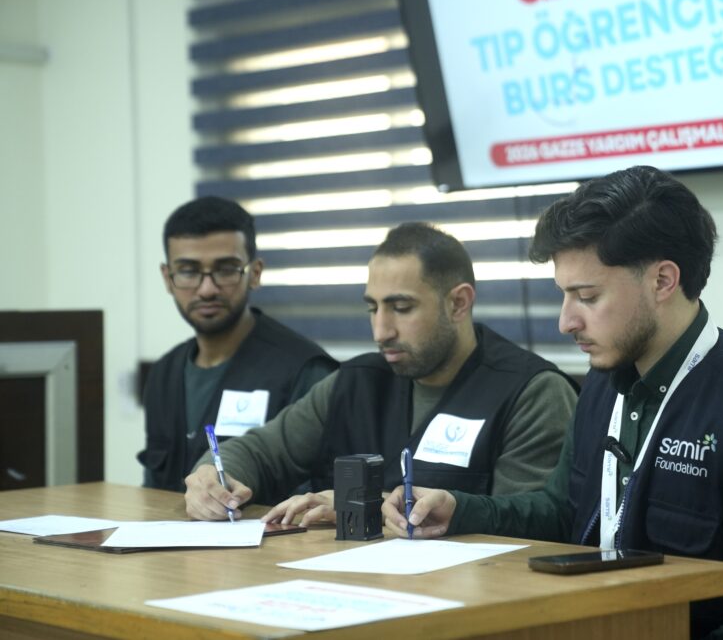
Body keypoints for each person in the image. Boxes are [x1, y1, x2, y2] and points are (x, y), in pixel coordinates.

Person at [383, 167, 723, 639]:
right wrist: (460, 511)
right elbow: (563, 513)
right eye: (564, 295)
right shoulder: (605, 382)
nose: (566, 321)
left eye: (587, 296)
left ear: (663, 281)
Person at [183, 222, 579, 526]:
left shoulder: (531, 392)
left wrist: (363, 508)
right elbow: (260, 451)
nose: (381, 331)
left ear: (458, 303)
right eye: (373, 308)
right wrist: (212, 477)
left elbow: (527, 523)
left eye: (401, 308)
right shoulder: (356, 381)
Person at [138, 196, 337, 492]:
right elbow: (152, 494)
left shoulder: (305, 370)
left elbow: (319, 498)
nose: (207, 289)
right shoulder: (164, 374)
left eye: (226, 270)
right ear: (168, 278)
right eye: (189, 271)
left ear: (254, 273)